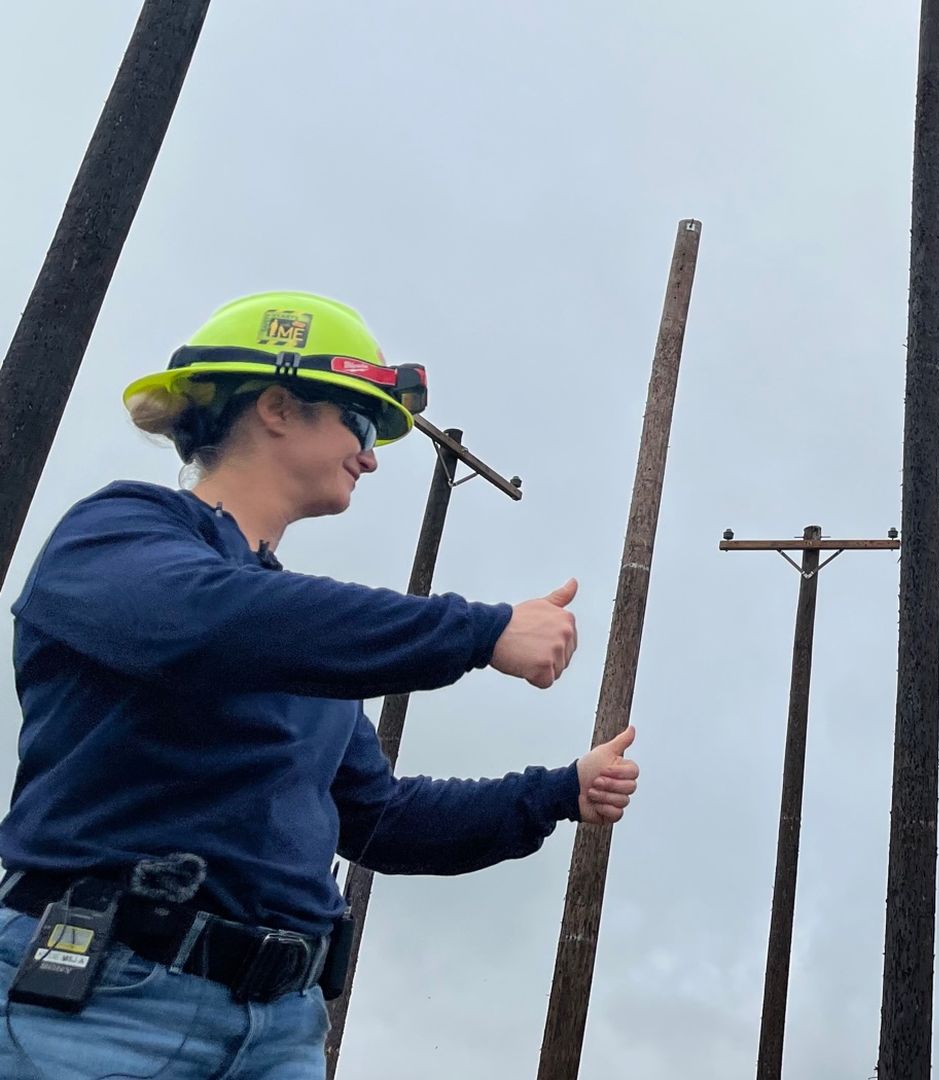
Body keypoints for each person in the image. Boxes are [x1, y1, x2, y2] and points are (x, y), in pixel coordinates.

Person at [0, 292, 641, 1078]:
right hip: (103, 1006)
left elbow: (381, 820)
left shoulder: (298, 640)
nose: (370, 456)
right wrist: (480, 630)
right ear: (276, 405)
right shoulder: (118, 536)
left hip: (281, 1030)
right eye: (361, 425)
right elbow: (207, 622)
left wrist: (556, 792)